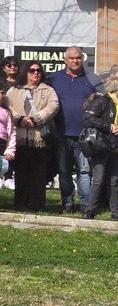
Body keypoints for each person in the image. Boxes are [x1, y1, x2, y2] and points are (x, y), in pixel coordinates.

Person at [49, 46, 103, 213]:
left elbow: (105, 101)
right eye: (71, 58)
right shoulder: (54, 78)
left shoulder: (92, 79)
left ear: (83, 59)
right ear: (65, 60)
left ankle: (86, 205)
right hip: (61, 134)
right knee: (64, 172)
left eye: (78, 57)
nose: (75, 61)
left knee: (84, 171)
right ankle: (67, 204)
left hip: (84, 135)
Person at [4, 62, 59, 211]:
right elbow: (7, 106)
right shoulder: (14, 90)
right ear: (25, 72)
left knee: (38, 173)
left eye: (38, 71)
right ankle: (21, 203)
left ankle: (37, 204)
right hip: (20, 138)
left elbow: (53, 106)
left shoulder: (48, 90)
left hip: (39, 139)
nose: (35, 73)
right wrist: (19, 119)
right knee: (21, 173)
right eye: (32, 70)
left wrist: (37, 119)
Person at [81, 76, 118, 221]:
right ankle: (90, 209)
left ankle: (115, 210)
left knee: (114, 180)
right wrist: (108, 127)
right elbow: (88, 118)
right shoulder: (102, 101)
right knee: (98, 178)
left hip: (115, 146)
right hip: (101, 145)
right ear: (116, 89)